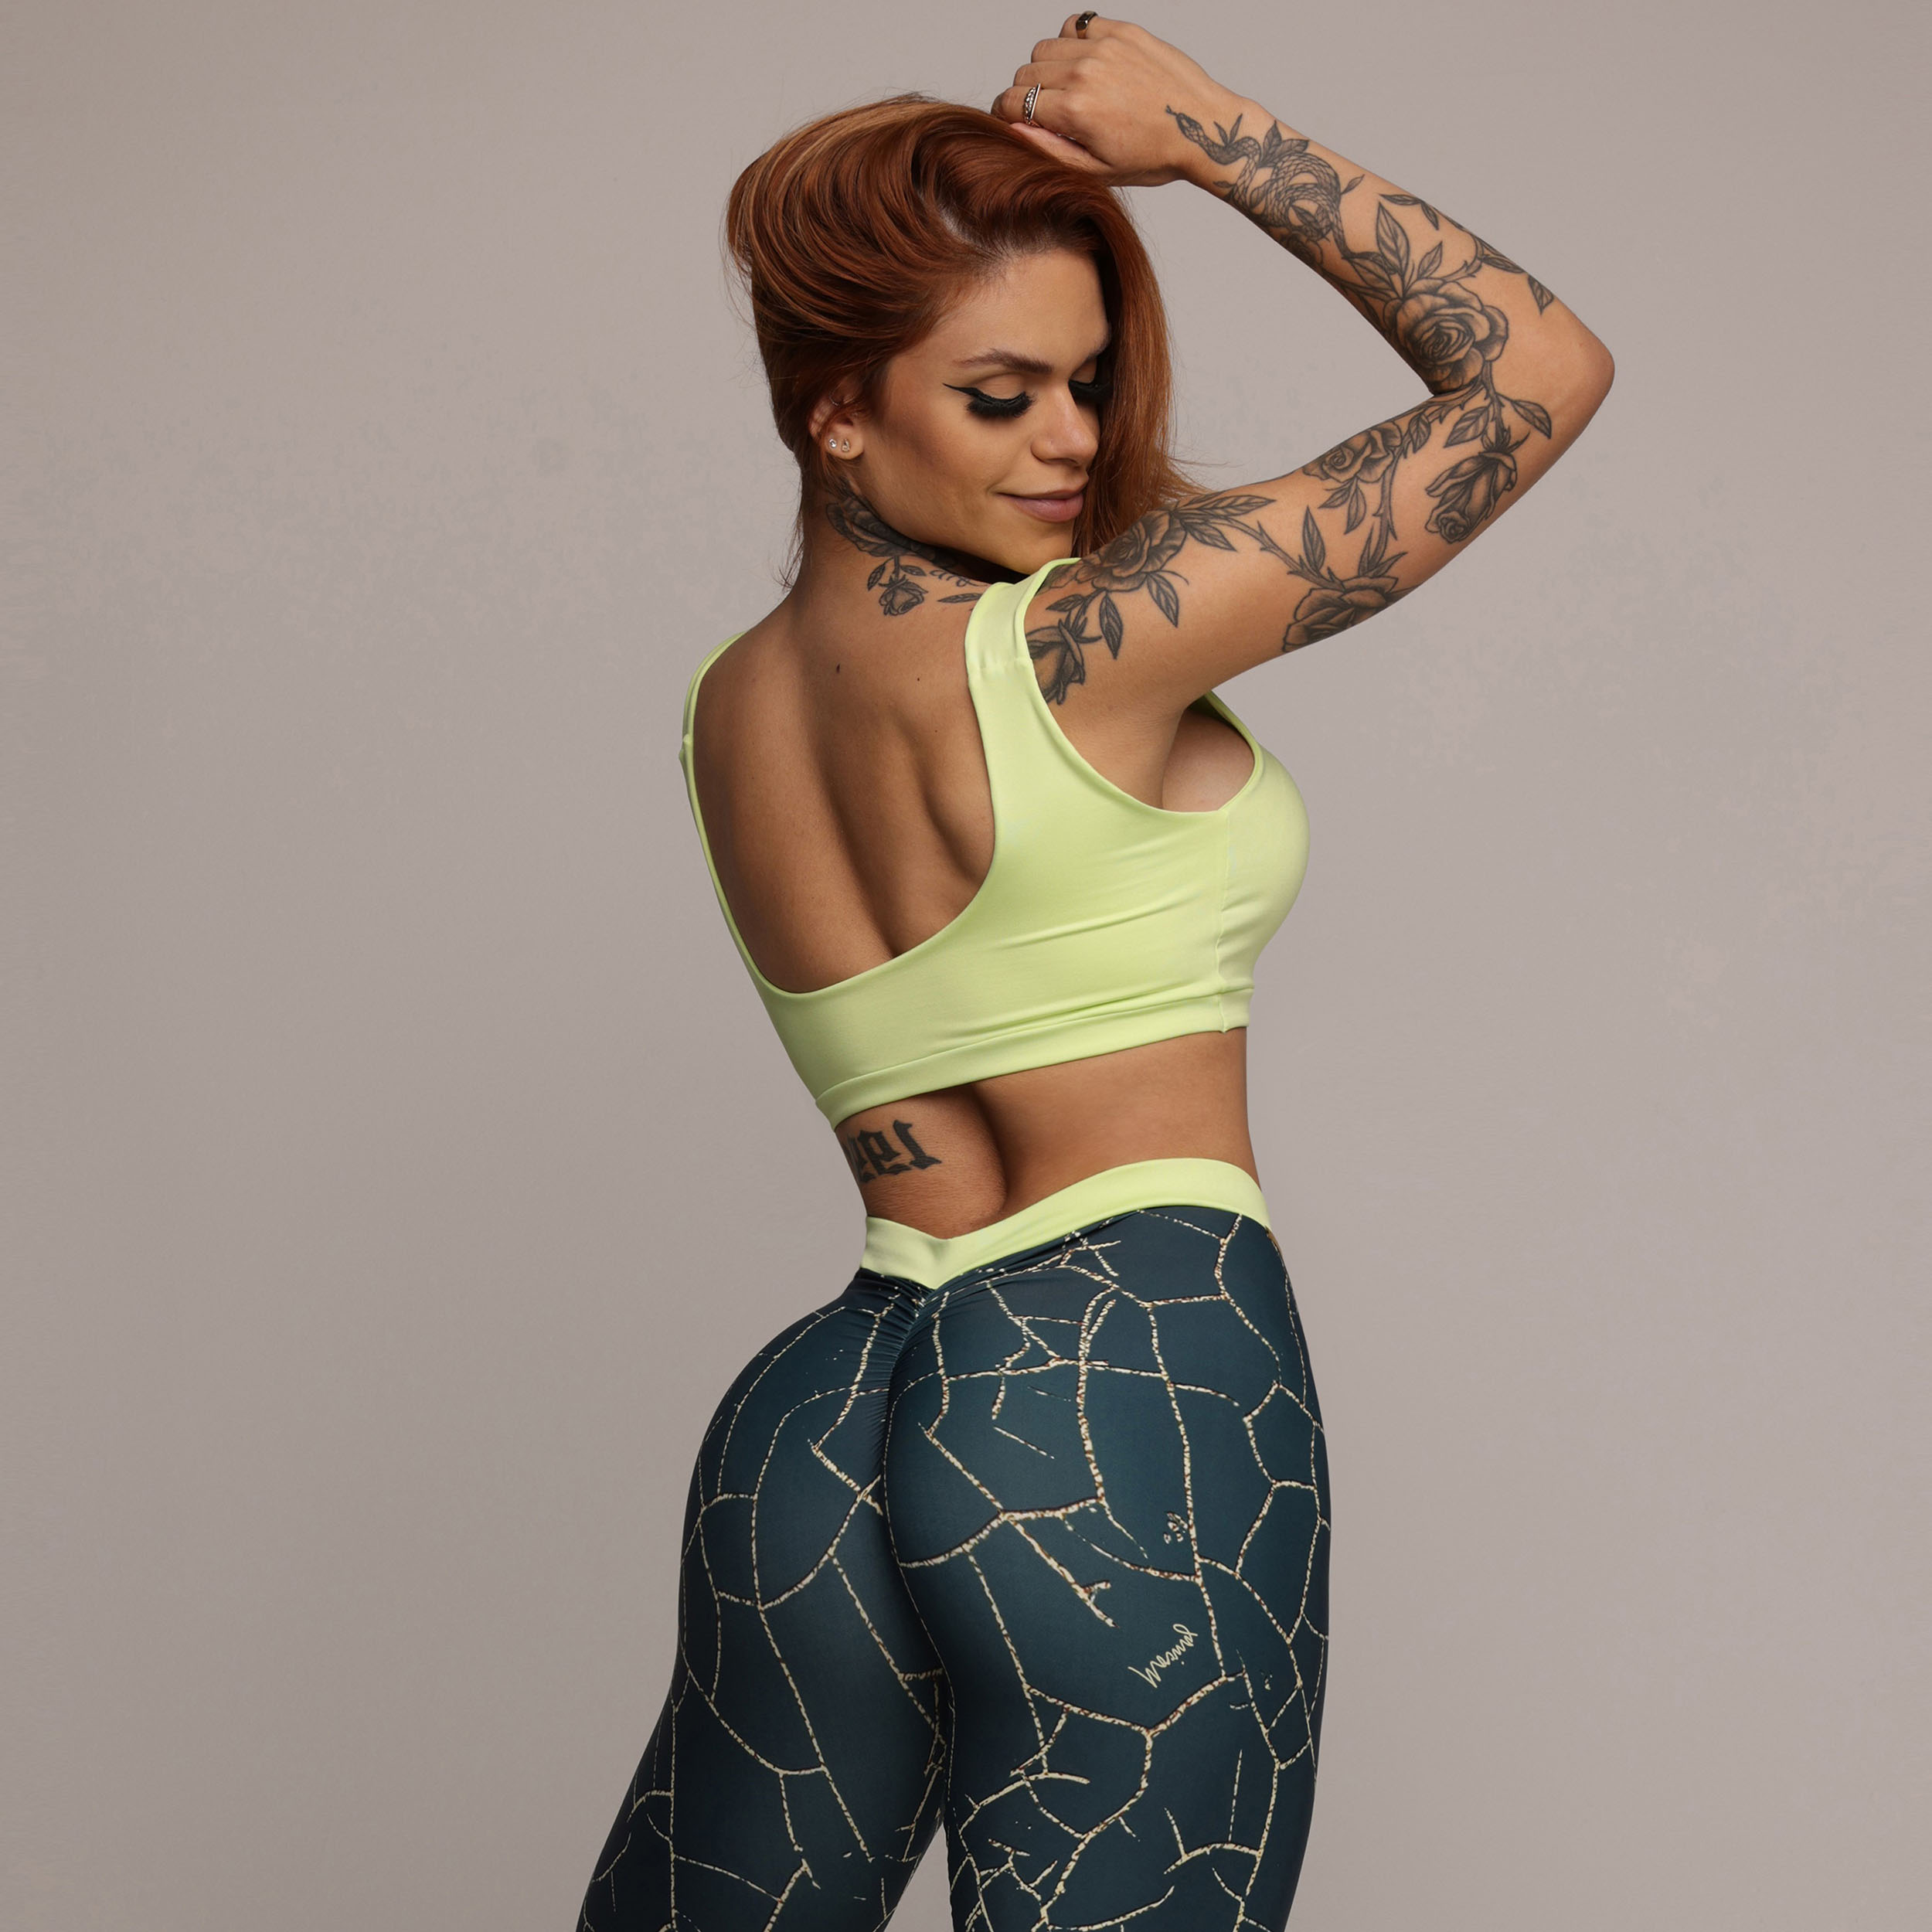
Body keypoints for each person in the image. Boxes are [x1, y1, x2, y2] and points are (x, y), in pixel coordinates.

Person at [580, 15, 1612, 1928]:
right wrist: (1205, 131)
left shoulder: (730, 706)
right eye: (998, 396)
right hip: (1114, 1373)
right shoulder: (1082, 650)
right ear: (835, 410)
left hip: (818, 1413)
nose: (1067, 438)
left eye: (1087, 380)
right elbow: (1538, 370)